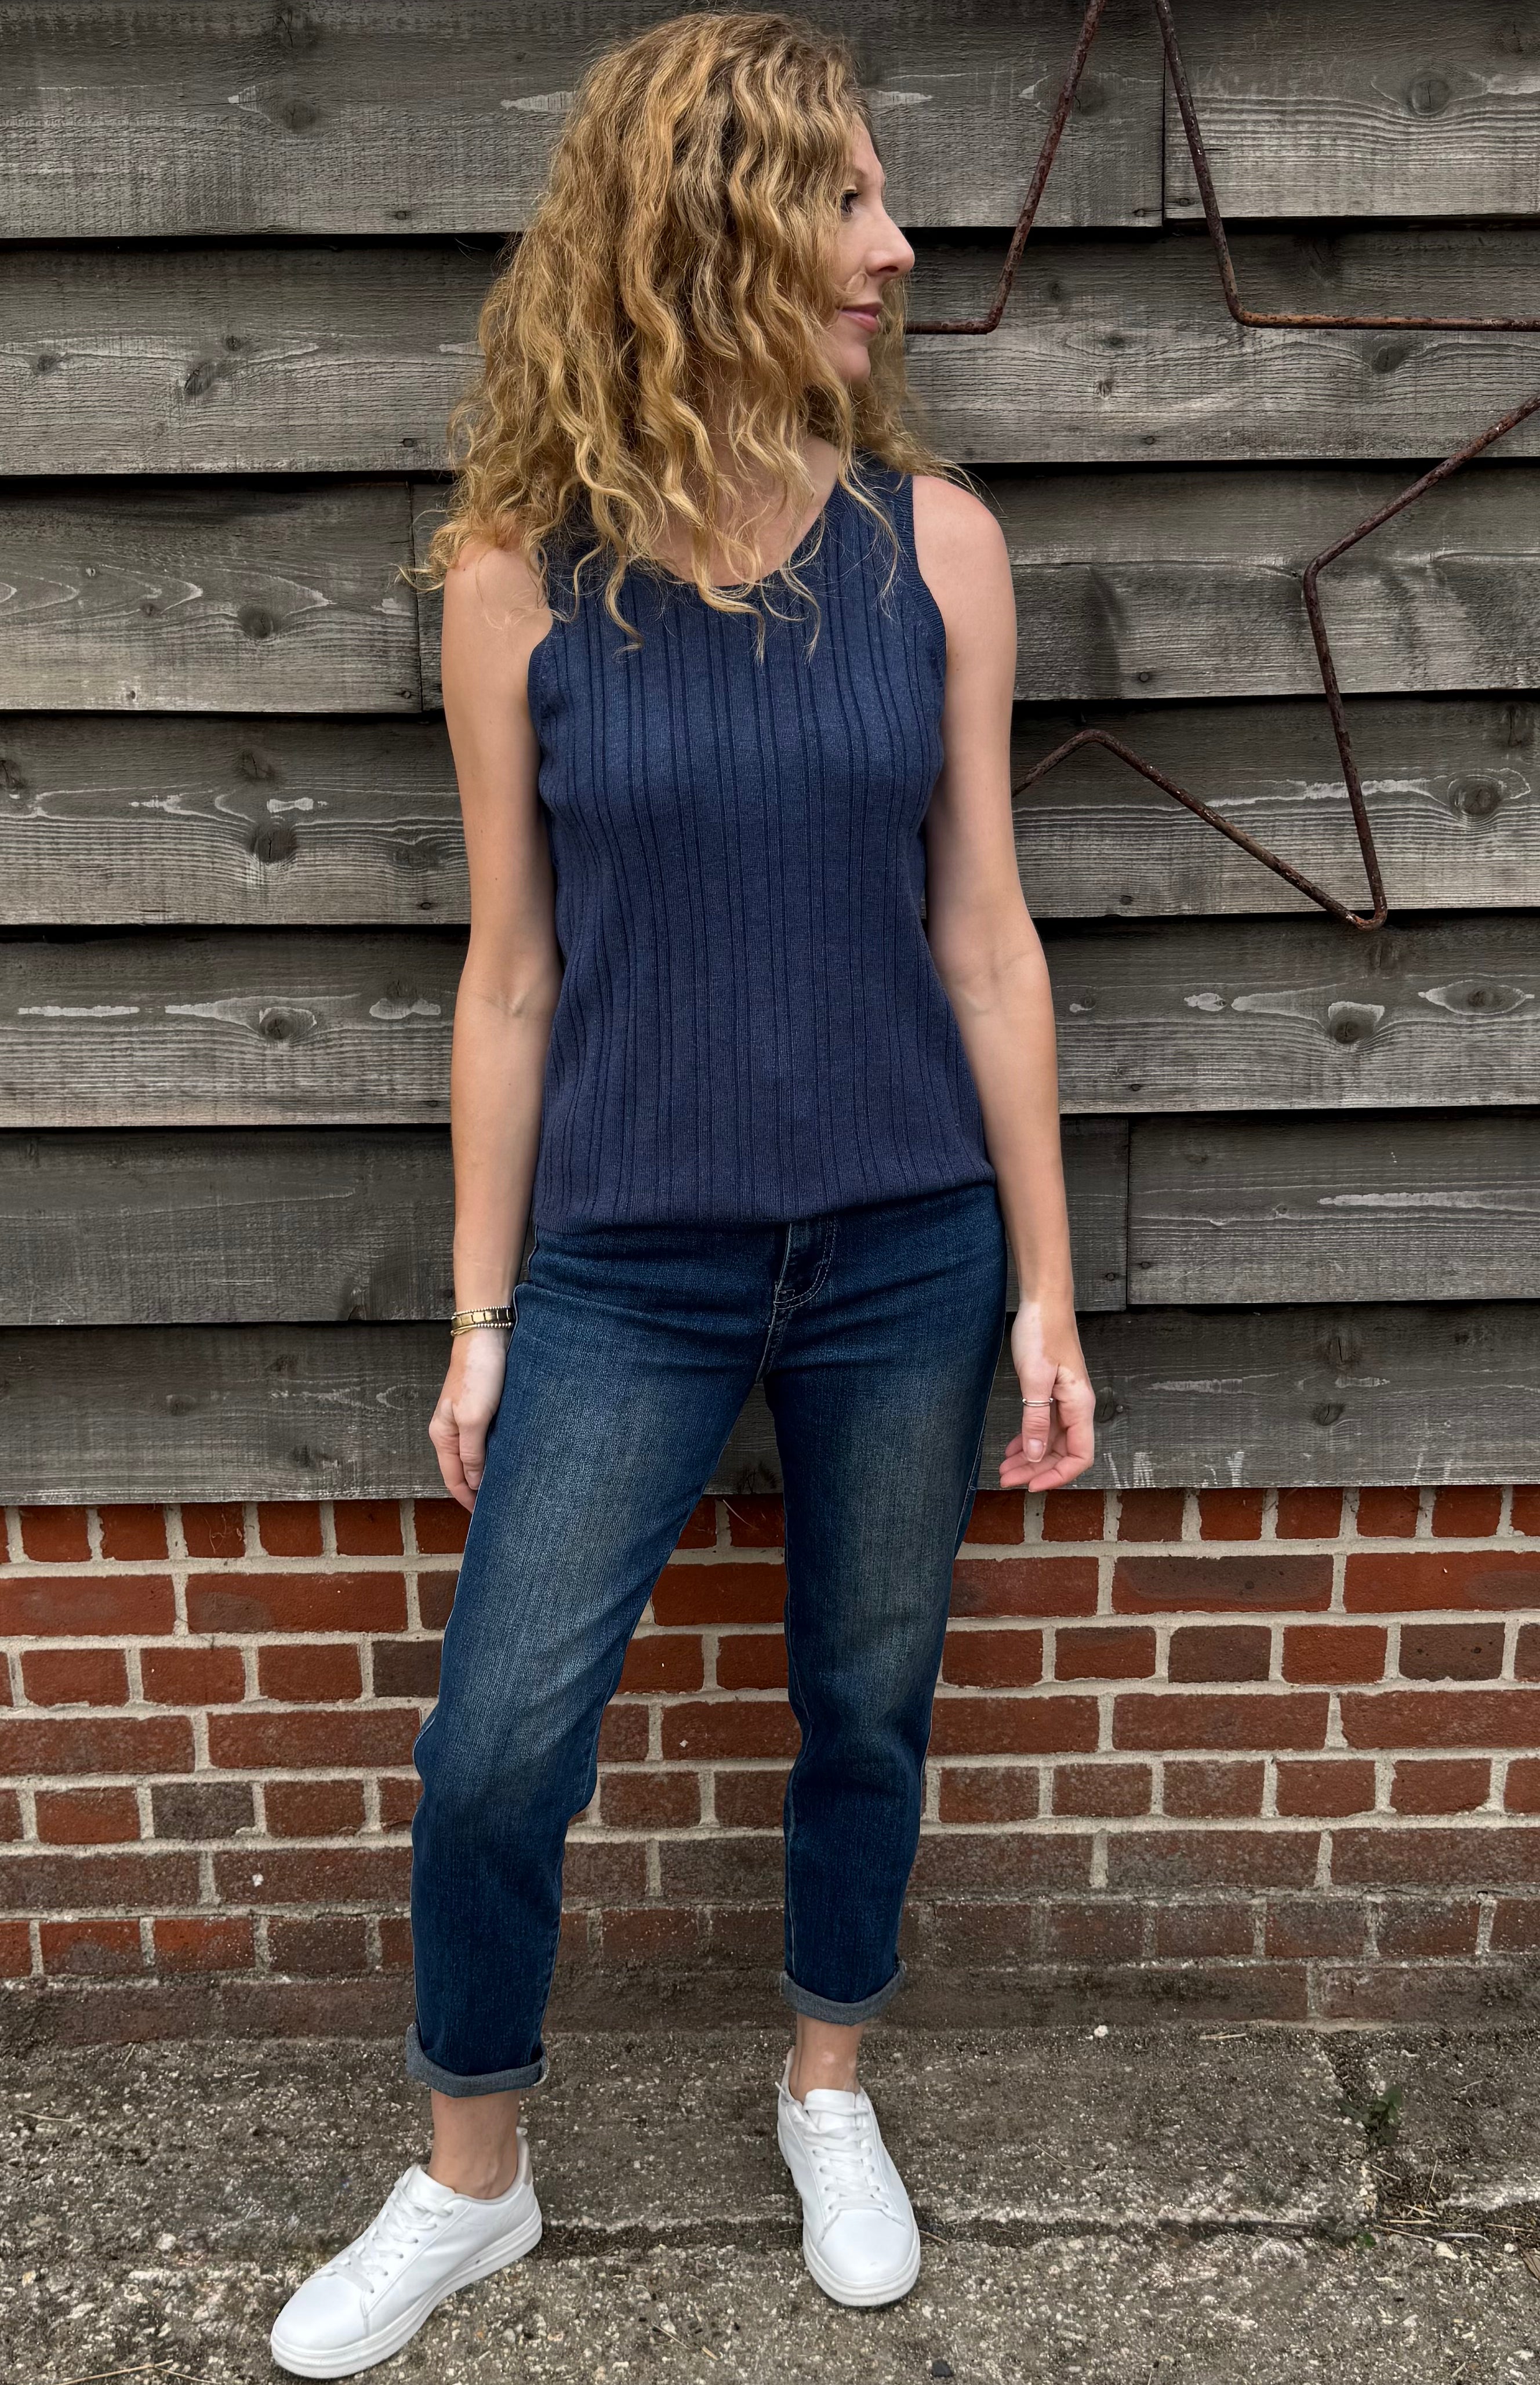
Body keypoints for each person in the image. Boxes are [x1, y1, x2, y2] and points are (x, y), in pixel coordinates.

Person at [269, 11, 1095, 2373]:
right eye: (841, 198)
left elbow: (984, 932)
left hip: (906, 1247)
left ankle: (827, 2082)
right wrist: (481, 1316)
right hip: (622, 1261)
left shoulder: (935, 545)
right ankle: (471, 2180)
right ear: (705, 224)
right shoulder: (521, 578)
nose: (892, 245)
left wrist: (1041, 1286)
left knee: (867, 1686)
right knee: (498, 1742)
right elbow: (509, 978)